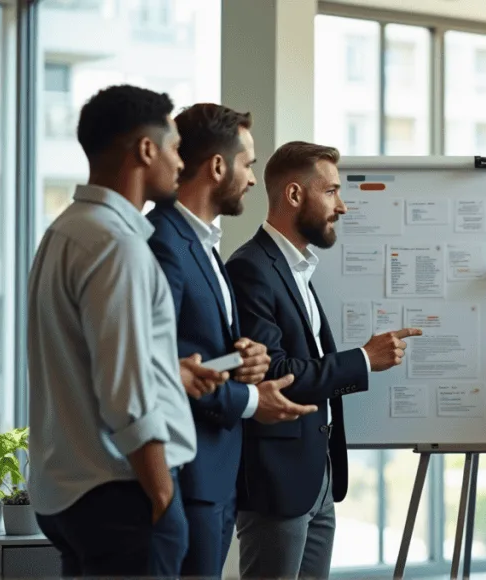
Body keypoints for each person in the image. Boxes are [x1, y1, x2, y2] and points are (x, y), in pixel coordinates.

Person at [26, 84, 228, 578]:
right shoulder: (118, 244)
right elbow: (127, 395)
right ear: (145, 150)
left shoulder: (66, 230)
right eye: (176, 148)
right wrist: (162, 495)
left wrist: (169, 371)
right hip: (124, 494)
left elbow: (90, 358)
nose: (182, 164)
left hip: (68, 494)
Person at [225, 141, 422, 579]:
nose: (343, 207)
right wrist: (364, 360)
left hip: (319, 476)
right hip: (277, 483)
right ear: (295, 195)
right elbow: (272, 375)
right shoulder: (251, 268)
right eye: (331, 191)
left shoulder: (296, 269)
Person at [146, 103, 319, 577]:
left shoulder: (202, 243)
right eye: (247, 164)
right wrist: (248, 398)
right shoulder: (163, 241)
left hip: (218, 477)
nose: (249, 178)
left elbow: (197, 350)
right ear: (218, 166)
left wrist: (242, 357)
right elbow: (159, 366)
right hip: (189, 476)